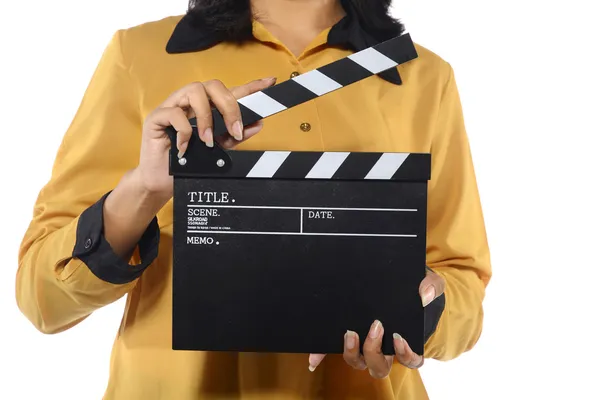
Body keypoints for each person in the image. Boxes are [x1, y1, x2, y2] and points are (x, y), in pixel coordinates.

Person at [16, 0, 492, 398]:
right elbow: (43, 297)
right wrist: (144, 187)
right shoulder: (139, 56)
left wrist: (424, 311)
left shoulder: (424, 76)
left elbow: (462, 284)